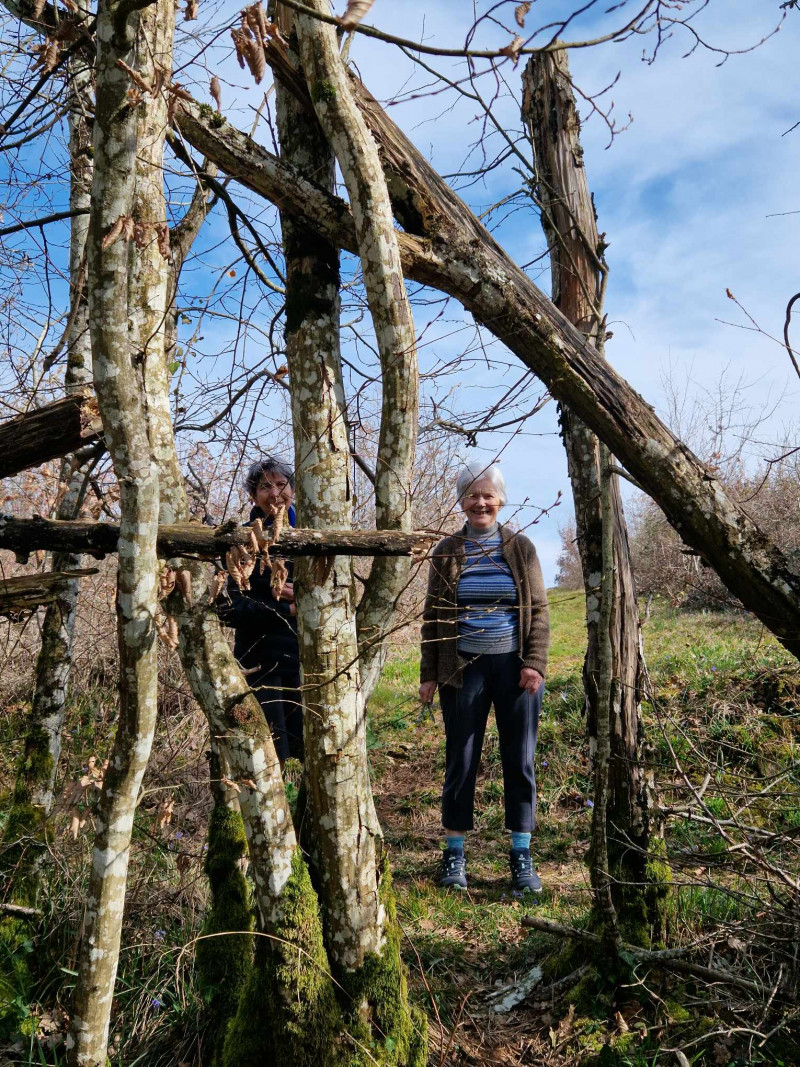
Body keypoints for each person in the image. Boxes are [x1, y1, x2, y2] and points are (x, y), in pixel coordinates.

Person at [419, 461, 549, 893]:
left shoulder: (521, 548)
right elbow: (433, 618)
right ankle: (454, 855)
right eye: (472, 495)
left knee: (520, 760)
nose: (480, 502)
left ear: (500, 500)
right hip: (462, 670)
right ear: (461, 501)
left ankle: (521, 854)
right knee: (461, 759)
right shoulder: (446, 552)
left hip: (516, 670)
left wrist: (534, 662)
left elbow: (540, 612)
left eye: (487, 494)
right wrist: (428, 674)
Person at [218, 456, 303, 764]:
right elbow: (229, 608)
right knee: (269, 758)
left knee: (313, 755)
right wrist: (287, 608)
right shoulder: (241, 540)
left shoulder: (309, 534)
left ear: (294, 490)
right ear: (252, 495)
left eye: (282, 485)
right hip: (259, 663)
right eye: (265, 487)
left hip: (306, 659)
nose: (275, 493)